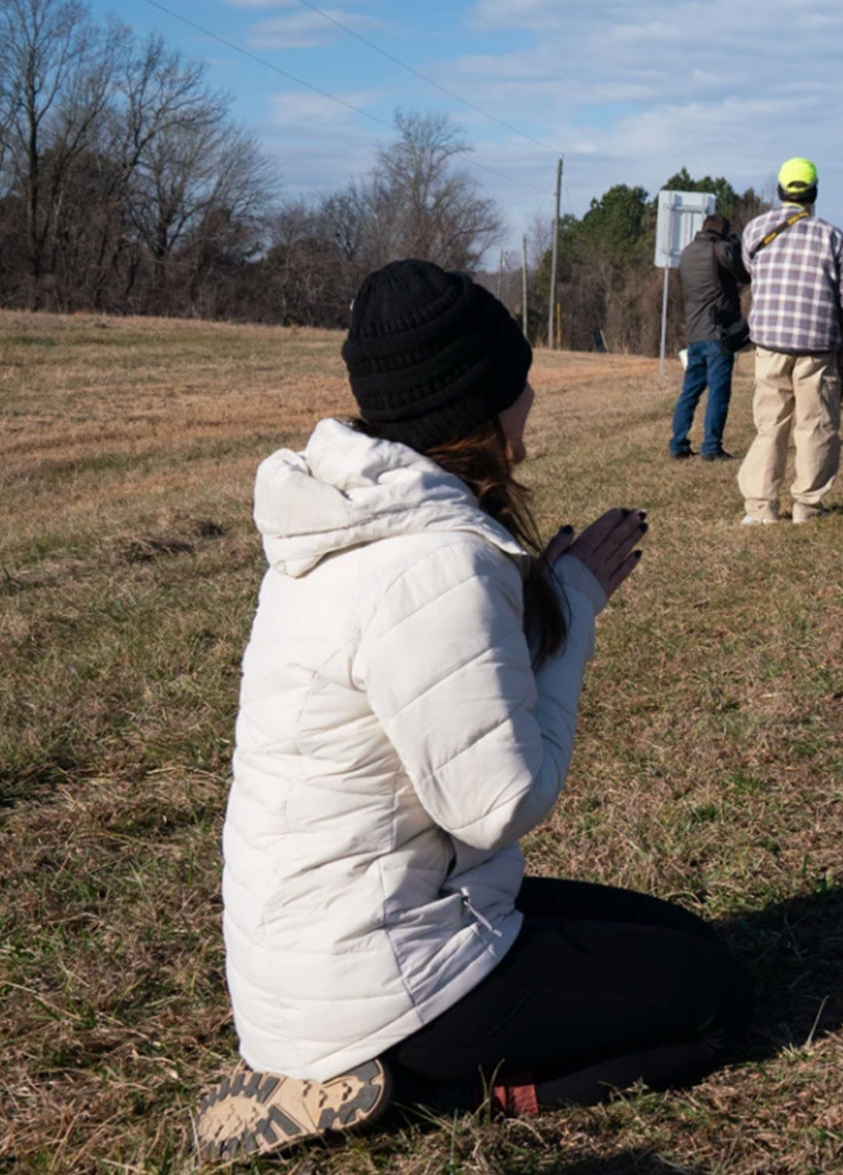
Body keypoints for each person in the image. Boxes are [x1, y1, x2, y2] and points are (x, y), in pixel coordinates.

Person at [194, 259, 749, 1161]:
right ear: (481, 403)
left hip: (327, 950)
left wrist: (558, 597)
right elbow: (499, 803)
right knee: (715, 996)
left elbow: (443, 698)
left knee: (684, 937)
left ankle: (393, 1057)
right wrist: (571, 629)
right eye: (519, 379)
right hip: (378, 987)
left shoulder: (348, 526)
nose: (533, 397)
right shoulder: (433, 563)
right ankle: (424, 1087)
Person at [737, 157, 843, 526]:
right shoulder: (833, 237)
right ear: (815, 193)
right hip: (817, 347)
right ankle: (807, 507)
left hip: (770, 345)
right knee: (816, 425)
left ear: (780, 191)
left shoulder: (755, 230)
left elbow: (750, 270)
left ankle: (760, 508)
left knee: (770, 425)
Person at [670, 212, 748, 462]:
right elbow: (744, 274)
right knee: (718, 391)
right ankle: (711, 446)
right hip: (718, 333)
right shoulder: (718, 250)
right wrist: (736, 246)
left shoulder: (687, 253)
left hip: (694, 333)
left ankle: (678, 444)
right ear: (722, 232)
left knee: (689, 392)